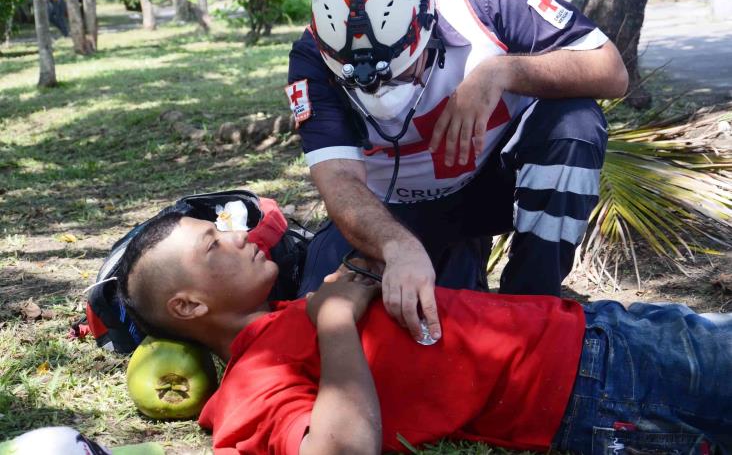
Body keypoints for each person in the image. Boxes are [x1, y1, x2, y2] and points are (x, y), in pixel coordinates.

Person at [117, 212, 731, 455]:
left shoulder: (290, 312)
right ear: (189, 304)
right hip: (593, 383)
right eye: (212, 243)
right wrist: (334, 322)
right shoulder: (250, 385)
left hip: (596, 331)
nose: (236, 235)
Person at [286, 0, 629, 343]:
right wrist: (395, 246)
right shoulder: (310, 58)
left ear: (427, 18)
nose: (383, 91)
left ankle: (533, 304)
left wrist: (502, 72)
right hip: (392, 213)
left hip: (493, 185)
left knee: (575, 123)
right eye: (360, 81)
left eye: (398, 72)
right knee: (329, 327)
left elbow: (610, 70)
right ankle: (454, 260)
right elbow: (338, 180)